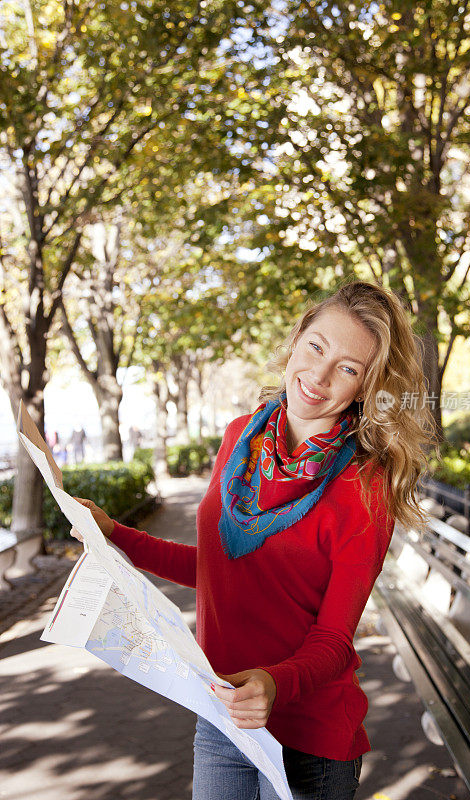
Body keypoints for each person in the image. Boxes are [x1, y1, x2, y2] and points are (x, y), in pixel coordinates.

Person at [71, 280, 435, 800]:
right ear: (297, 338)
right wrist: (114, 534)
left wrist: (274, 682)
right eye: (317, 347)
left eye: (349, 368)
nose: (320, 374)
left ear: (366, 387)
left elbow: (334, 640)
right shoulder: (239, 438)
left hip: (311, 740)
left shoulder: (366, 486)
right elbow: (219, 567)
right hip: (222, 714)